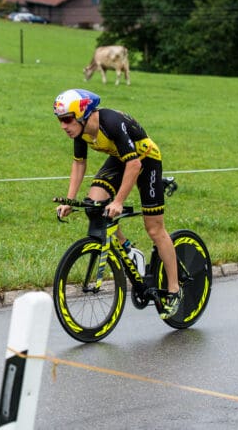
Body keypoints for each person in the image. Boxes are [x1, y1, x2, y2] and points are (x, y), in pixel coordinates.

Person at [53, 89, 182, 319]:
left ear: (83, 114)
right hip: (122, 159)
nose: (63, 125)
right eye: (60, 120)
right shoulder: (81, 132)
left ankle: (174, 289)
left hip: (146, 160)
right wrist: (70, 200)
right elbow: (79, 164)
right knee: (94, 205)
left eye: (67, 119)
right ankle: (128, 249)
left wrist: (119, 201)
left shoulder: (110, 122)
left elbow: (134, 166)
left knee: (154, 228)